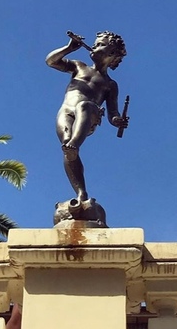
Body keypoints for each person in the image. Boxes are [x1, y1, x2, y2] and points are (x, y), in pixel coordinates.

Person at [46, 31, 128, 202]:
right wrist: (69, 48)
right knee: (67, 146)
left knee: (84, 106)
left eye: (100, 45)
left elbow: (113, 113)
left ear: (112, 53)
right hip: (66, 112)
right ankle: (81, 192)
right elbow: (51, 61)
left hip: (89, 116)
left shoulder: (110, 84)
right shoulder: (78, 66)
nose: (94, 46)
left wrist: (117, 120)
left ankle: (74, 144)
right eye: (95, 44)